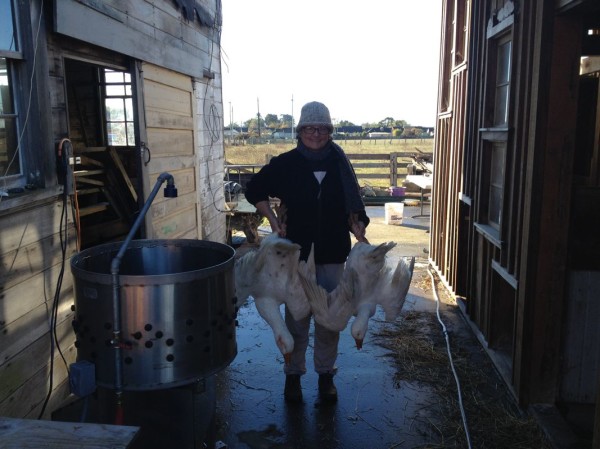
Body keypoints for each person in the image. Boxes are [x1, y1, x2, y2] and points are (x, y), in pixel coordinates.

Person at [244, 101, 370, 403]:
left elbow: (356, 208)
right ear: (300, 131)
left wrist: (359, 225)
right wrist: (273, 221)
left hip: (333, 253)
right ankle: (293, 376)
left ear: (330, 131)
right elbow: (254, 190)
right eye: (310, 128)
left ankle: (326, 375)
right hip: (296, 255)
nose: (317, 133)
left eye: (323, 128)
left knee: (331, 318)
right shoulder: (285, 164)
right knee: (296, 319)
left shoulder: (341, 164)